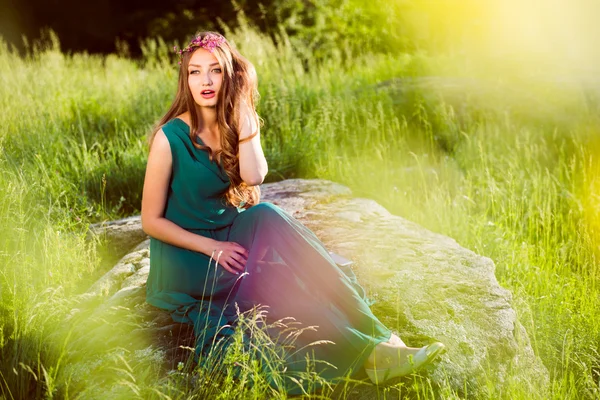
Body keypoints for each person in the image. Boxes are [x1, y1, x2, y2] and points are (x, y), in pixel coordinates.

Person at [140, 31, 445, 394]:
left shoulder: (233, 124)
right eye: (194, 72)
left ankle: (376, 342)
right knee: (278, 277)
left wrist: (245, 112)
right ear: (184, 79)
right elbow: (150, 220)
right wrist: (211, 248)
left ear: (229, 75)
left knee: (268, 217)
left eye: (215, 71)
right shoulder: (169, 137)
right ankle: (377, 347)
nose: (204, 81)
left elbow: (254, 176)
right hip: (187, 260)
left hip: (228, 238)